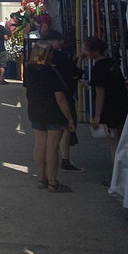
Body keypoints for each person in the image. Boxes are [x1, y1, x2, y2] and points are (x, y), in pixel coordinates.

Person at [23, 41, 75, 192]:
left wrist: (30, 108)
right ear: (48, 54)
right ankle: (53, 181)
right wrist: (69, 118)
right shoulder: (52, 72)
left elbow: (25, 92)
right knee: (52, 147)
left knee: (39, 144)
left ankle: (42, 178)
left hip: (36, 111)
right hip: (53, 112)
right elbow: (60, 98)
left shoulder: (29, 70)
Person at [83, 36, 128, 174]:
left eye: (86, 50)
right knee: (119, 138)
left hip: (109, 108)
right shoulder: (111, 63)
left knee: (113, 142)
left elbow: (100, 93)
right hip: (121, 103)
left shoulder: (97, 68)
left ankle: (116, 175)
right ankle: (121, 172)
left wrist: (97, 116)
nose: (84, 52)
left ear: (95, 51)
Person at [45, 31, 84, 174]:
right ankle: (64, 160)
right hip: (63, 95)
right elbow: (75, 73)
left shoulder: (37, 58)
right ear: (53, 41)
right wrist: (79, 60)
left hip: (44, 98)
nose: (60, 45)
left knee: (46, 132)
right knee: (66, 127)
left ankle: (48, 162)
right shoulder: (61, 57)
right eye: (59, 42)